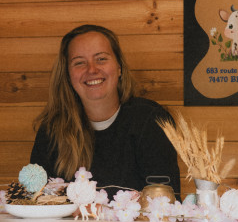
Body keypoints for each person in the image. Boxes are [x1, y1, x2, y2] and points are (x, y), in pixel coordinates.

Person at [30, 24, 180, 197]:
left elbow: (167, 203)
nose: (92, 69)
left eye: (101, 59)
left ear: (119, 67)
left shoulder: (151, 121)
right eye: (79, 62)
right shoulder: (52, 130)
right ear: (67, 75)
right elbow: (36, 201)